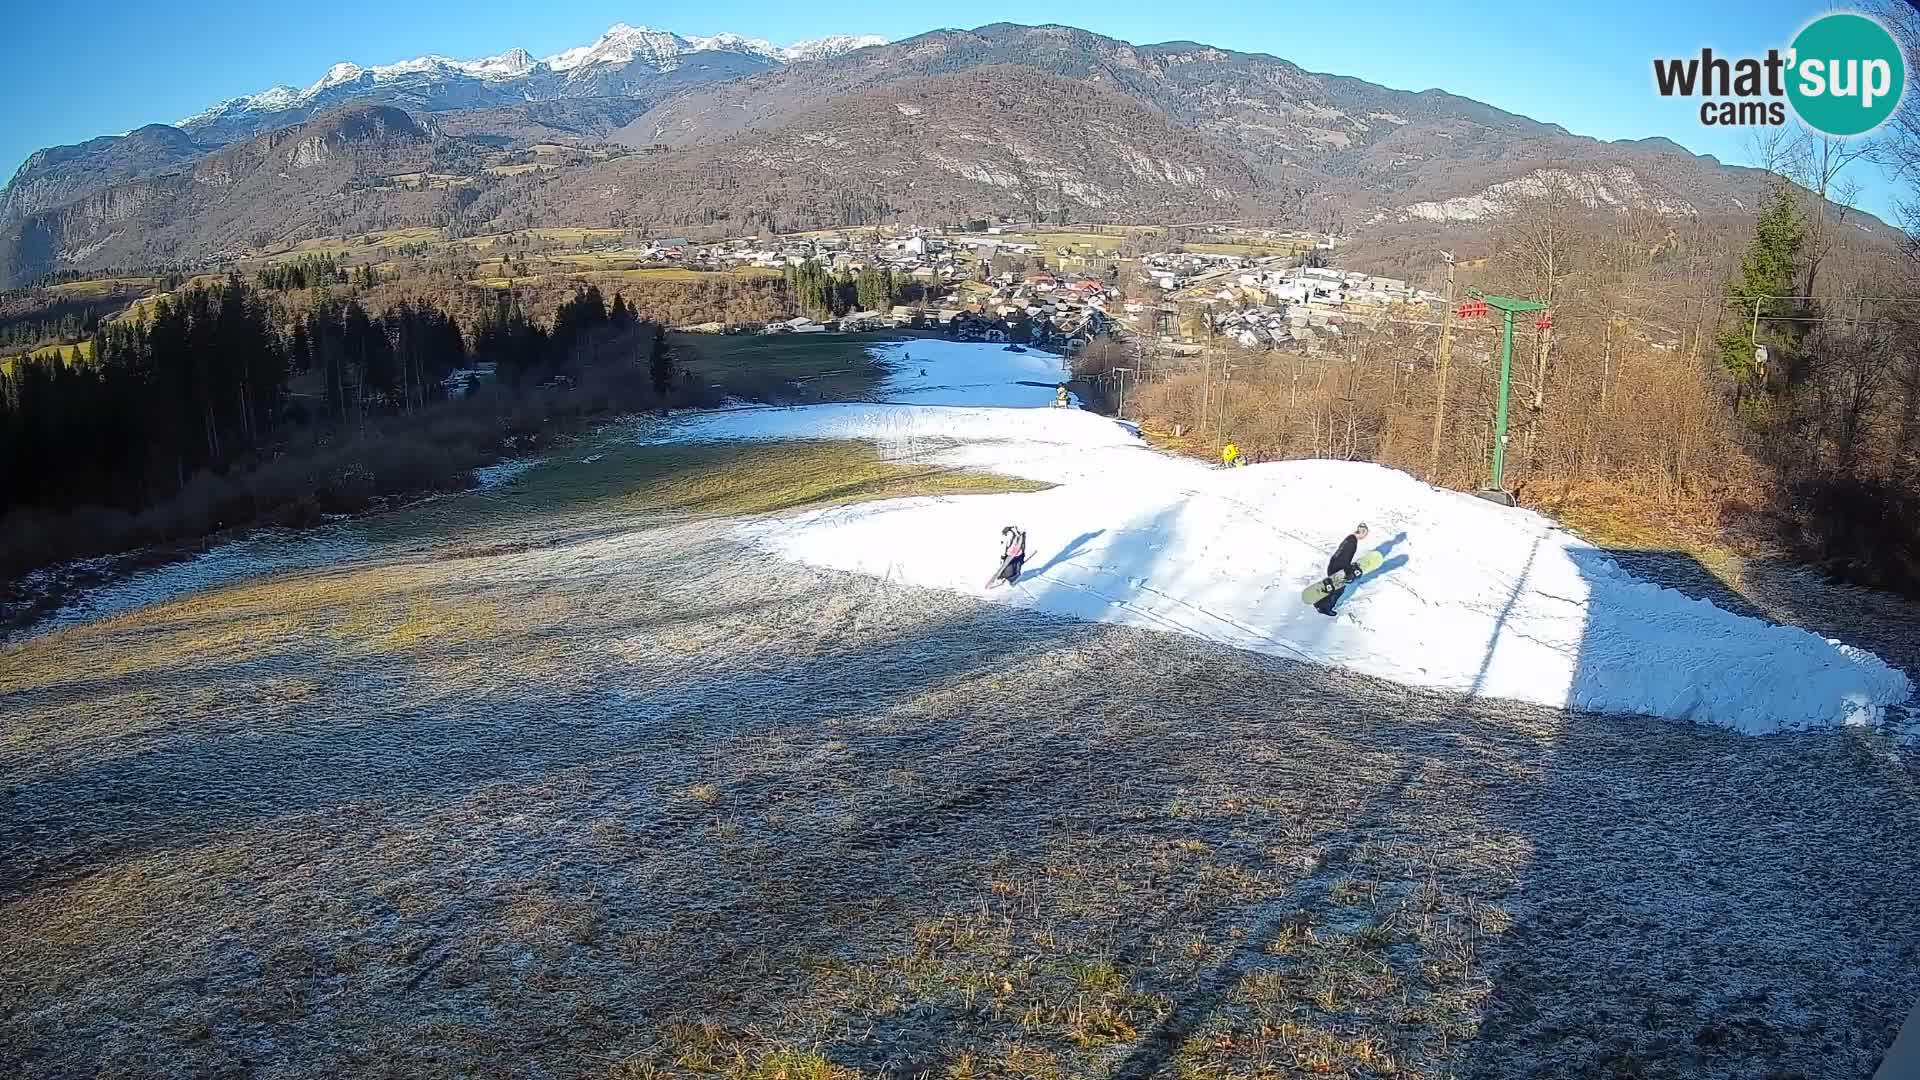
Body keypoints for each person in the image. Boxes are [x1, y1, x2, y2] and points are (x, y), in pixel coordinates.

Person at [1314, 522, 1370, 616]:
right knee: (1338, 590)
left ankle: (1319, 603)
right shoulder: (1352, 542)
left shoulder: (1350, 539)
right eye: (1365, 534)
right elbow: (1343, 558)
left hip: (1334, 565)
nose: (1365, 537)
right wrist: (1348, 572)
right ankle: (1325, 608)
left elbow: (1342, 556)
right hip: (1338, 568)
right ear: (1362, 531)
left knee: (1333, 588)